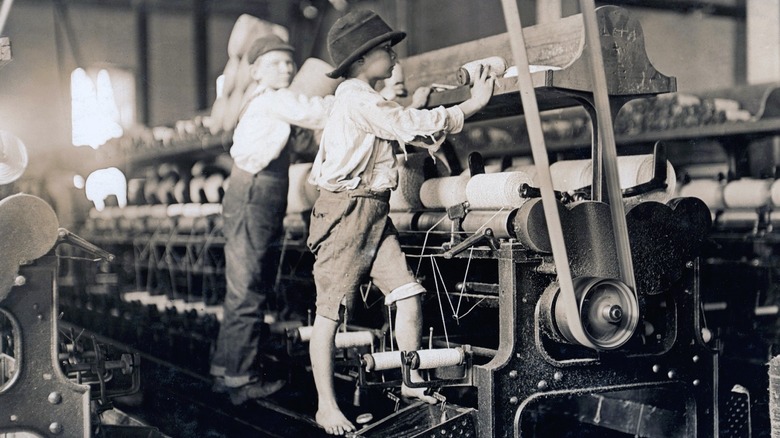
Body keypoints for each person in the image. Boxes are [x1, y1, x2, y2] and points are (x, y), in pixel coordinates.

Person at [306, 9, 495, 435]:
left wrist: (427, 109)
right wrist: (472, 105)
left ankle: (410, 381)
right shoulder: (357, 97)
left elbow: (405, 126)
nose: (394, 56)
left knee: (408, 293)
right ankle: (325, 406)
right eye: (385, 50)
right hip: (345, 212)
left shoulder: (366, 98)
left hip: (373, 210)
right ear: (359, 61)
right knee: (330, 315)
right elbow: (408, 125)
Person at [210, 34, 334, 406]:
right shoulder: (275, 99)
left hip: (251, 193)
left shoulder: (262, 101)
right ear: (255, 71)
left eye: (288, 62)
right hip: (255, 196)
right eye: (275, 63)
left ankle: (226, 370)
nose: (286, 68)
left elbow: (297, 141)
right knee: (247, 289)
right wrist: (359, 96)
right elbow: (320, 112)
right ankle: (241, 380)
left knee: (244, 288)